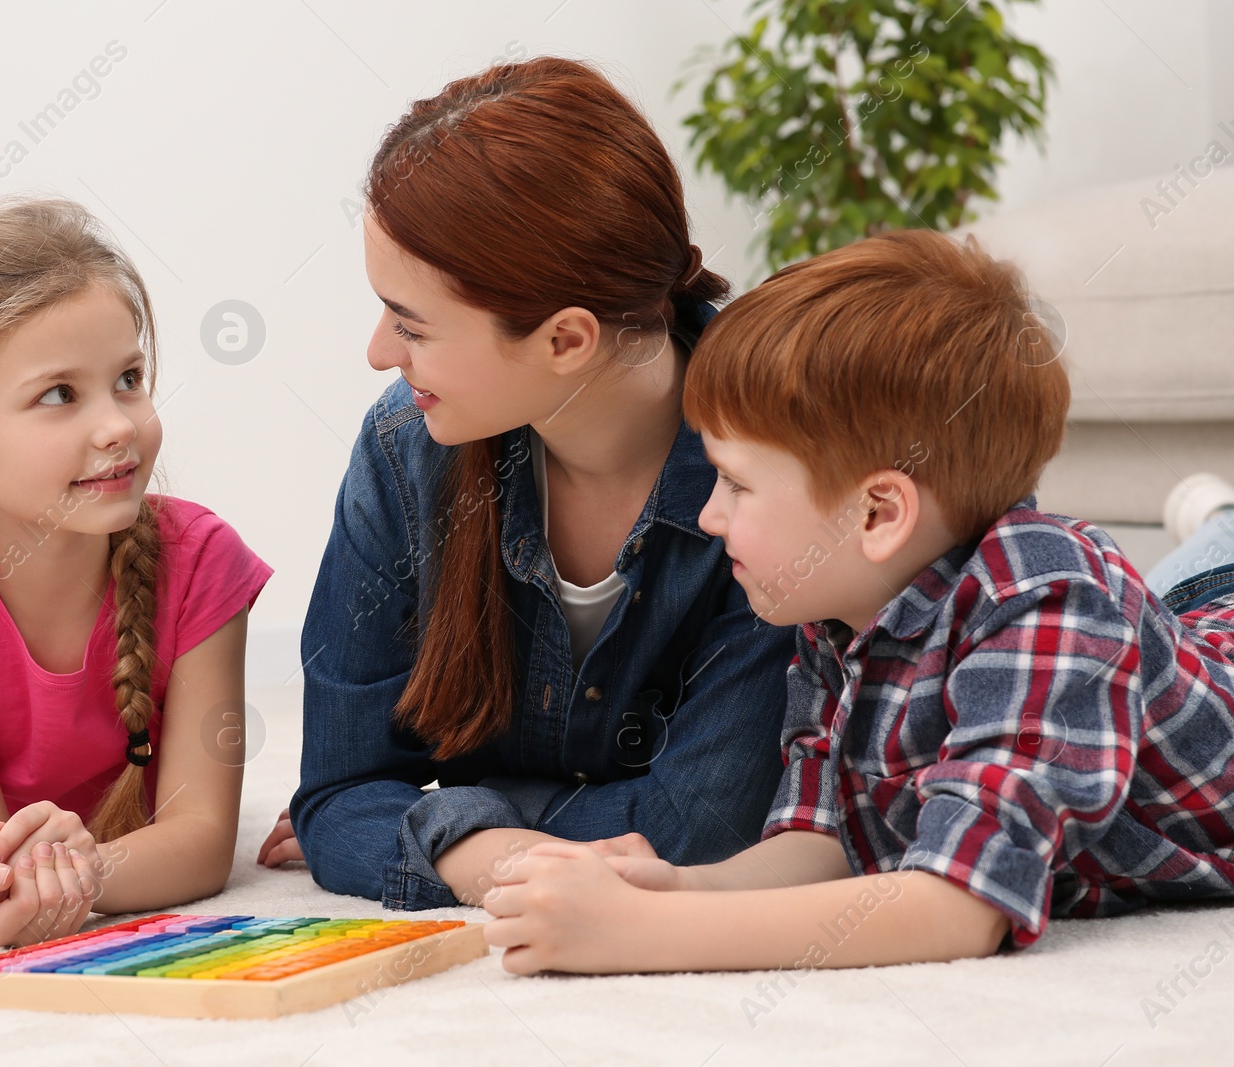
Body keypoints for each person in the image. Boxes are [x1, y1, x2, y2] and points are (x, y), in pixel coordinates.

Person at [480, 229, 1234, 974]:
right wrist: (680, 884)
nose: (709, 516)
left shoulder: (1051, 599)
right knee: (1175, 591)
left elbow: (958, 906)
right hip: (1168, 625)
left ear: (877, 514)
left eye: (736, 482)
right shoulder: (835, 600)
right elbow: (825, 837)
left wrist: (647, 931)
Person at [255, 56, 798, 909]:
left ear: (566, 340)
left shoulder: (785, 469)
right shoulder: (405, 449)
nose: (379, 354)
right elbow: (339, 797)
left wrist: (450, 826)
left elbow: (702, 829)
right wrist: (485, 848)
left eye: (411, 326)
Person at [0, 197, 273, 946]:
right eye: (60, 394)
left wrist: (83, 872)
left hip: (108, 849)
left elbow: (199, 839)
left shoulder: (202, 561)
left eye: (128, 378)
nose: (119, 425)